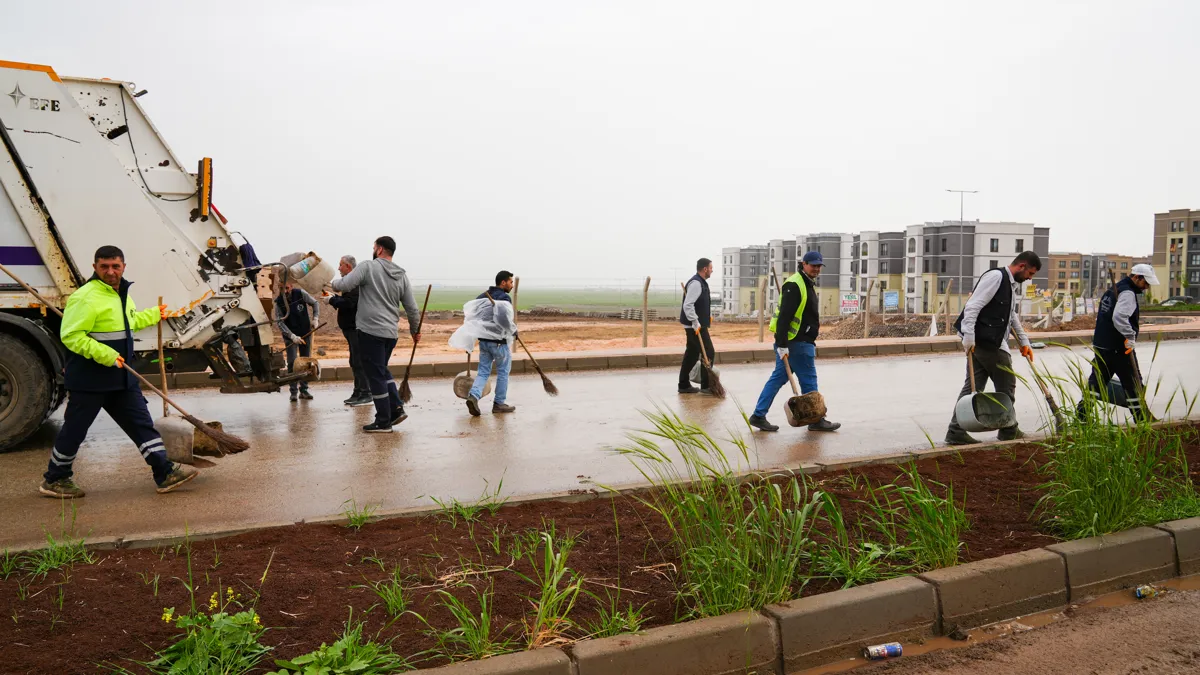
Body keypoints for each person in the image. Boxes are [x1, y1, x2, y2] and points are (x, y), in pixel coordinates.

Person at [40, 245, 198, 498]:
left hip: (121, 377)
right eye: (104, 267)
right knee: (75, 431)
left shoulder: (122, 294)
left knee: (141, 424)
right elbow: (71, 336)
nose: (110, 271)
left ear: (124, 266)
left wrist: (154, 315)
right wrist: (107, 355)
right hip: (90, 379)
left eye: (115, 266)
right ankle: (55, 479)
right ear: (94, 268)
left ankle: (164, 472)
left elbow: (129, 322)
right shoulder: (85, 297)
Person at [944, 251, 1042, 445]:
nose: (1030, 278)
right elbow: (973, 306)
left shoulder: (1010, 285)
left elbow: (1011, 315)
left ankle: (955, 431)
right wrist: (969, 336)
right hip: (985, 341)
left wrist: (1024, 342)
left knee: (973, 387)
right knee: (1007, 383)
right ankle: (1008, 429)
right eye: (1030, 273)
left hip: (985, 340)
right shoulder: (996, 277)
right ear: (1021, 266)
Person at [331, 236, 421, 433]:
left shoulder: (367, 267)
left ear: (380, 250)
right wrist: (415, 331)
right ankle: (396, 409)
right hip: (390, 333)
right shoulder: (402, 275)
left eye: (374, 247)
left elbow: (345, 285)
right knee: (381, 370)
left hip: (370, 331)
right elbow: (412, 309)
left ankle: (383, 421)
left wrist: (332, 284)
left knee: (375, 376)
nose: (373, 250)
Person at [748, 251, 841, 432]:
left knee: (777, 379)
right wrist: (782, 344)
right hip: (797, 342)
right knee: (809, 382)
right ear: (803, 264)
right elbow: (784, 317)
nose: (816, 268)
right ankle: (816, 420)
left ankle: (758, 415)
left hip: (794, 342)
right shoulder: (796, 284)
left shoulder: (804, 283)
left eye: (819, 265)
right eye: (813, 265)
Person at [1076, 264, 1158, 423]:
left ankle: (1081, 417)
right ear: (1136, 277)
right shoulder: (1127, 293)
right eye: (1145, 282)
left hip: (1102, 345)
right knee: (1133, 383)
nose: (1147, 287)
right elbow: (1119, 317)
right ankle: (1142, 419)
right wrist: (1130, 336)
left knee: (1097, 383)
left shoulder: (1115, 289)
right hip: (1119, 348)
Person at [449, 271, 519, 416]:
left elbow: (474, 319)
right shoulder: (504, 298)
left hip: (484, 343)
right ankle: (499, 403)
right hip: (499, 343)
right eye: (510, 282)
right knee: (503, 372)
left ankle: (473, 396)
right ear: (503, 282)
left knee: (483, 372)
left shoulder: (482, 297)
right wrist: (513, 330)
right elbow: (504, 320)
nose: (512, 285)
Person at [328, 255, 371, 407]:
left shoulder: (354, 285)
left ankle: (365, 393)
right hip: (350, 328)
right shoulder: (349, 284)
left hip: (356, 328)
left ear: (348, 267)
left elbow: (349, 303)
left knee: (358, 361)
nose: (338, 268)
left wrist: (332, 300)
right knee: (354, 361)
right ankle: (358, 391)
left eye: (341, 265)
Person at [274, 280, 319, 402]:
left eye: (287, 288)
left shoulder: (300, 294)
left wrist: (315, 318)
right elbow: (279, 322)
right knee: (292, 363)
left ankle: (304, 390)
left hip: (305, 333)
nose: (285, 291)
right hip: (290, 337)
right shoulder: (278, 302)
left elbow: (315, 303)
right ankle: (293, 391)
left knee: (305, 362)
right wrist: (292, 336)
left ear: (291, 286)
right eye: (282, 289)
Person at [678, 258, 716, 394]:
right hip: (695, 327)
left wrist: (707, 315)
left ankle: (683, 384)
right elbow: (688, 305)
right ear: (705, 269)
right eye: (711, 268)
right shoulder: (696, 283)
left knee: (692, 354)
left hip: (698, 325)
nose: (712, 270)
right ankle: (706, 386)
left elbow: (701, 302)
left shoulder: (702, 283)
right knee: (708, 352)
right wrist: (695, 321)